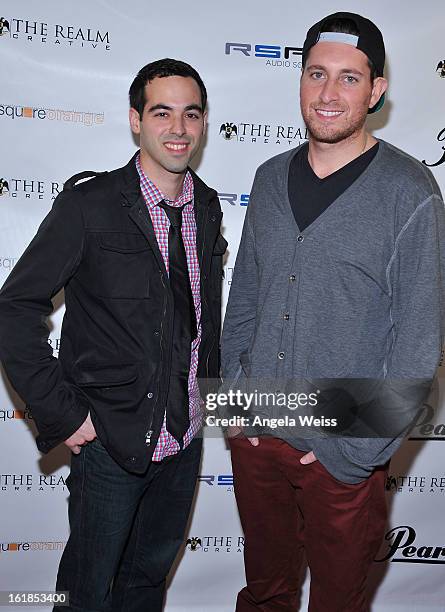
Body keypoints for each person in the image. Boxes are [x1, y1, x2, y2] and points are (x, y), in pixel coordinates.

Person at [221, 12, 445, 611]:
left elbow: (418, 342)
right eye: (316, 74)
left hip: (341, 456)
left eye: (349, 78)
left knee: (338, 603)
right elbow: (244, 297)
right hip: (258, 440)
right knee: (265, 593)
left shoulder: (411, 191)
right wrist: (236, 409)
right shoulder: (269, 178)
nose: (328, 93)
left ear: (376, 91)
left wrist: (349, 451)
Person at [0, 58, 227, 611]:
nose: (178, 128)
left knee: (145, 588)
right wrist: (63, 412)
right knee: (86, 594)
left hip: (183, 440)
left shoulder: (207, 205)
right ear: (135, 120)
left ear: (203, 124)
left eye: (190, 114)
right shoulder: (90, 203)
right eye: (162, 112)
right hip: (110, 442)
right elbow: (14, 308)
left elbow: (200, 318)